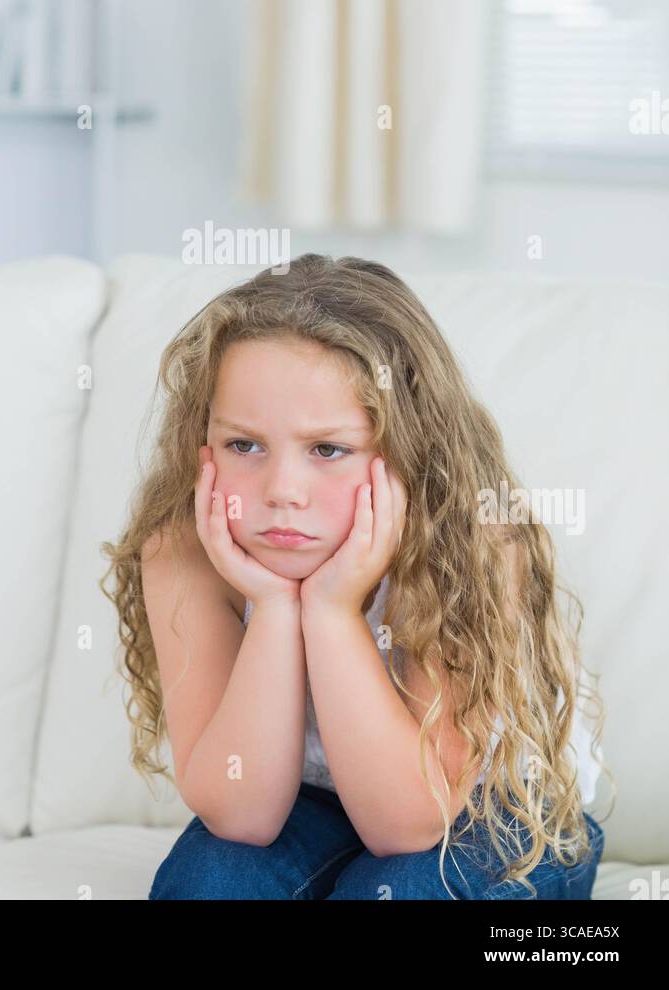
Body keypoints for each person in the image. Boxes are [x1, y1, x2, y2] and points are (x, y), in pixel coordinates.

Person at [100, 254, 614, 899]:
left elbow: (407, 825)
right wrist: (275, 606)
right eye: (244, 445)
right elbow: (241, 815)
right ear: (202, 444)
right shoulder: (186, 553)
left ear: (408, 449)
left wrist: (333, 611)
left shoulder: (469, 546)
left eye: (328, 450)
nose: (282, 490)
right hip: (315, 804)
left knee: (398, 888)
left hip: (492, 813)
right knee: (208, 877)